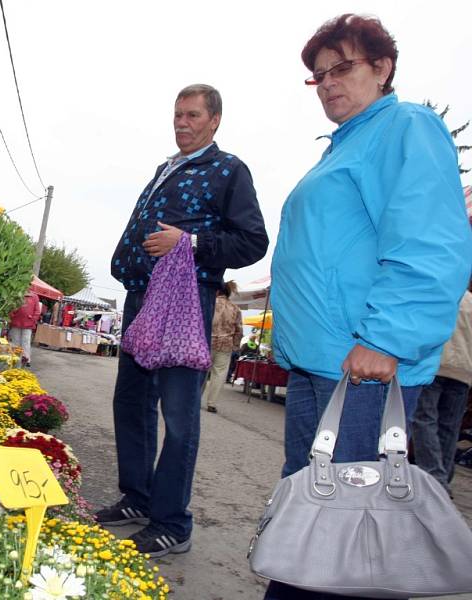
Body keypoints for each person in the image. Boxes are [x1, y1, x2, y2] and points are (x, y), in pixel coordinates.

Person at [268, 14, 471, 599]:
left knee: (346, 534)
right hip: (323, 364)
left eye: (342, 67)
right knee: (315, 518)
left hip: (362, 367)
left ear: (382, 68)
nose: (328, 82)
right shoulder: (346, 145)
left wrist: (387, 339)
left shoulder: (404, 126)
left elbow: (430, 242)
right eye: (318, 74)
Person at [98, 83, 268, 558]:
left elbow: (253, 242)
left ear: (214, 121)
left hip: (185, 300)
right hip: (140, 295)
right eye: (177, 115)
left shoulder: (229, 169)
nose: (182, 123)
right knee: (130, 401)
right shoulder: (164, 168)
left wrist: (190, 244)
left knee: (177, 414)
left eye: (192, 115)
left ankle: (173, 522)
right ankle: (138, 498)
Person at [412, 285, 472, 495]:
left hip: (436, 366)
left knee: (424, 420)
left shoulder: (440, 295)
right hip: (463, 372)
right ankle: (442, 478)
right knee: (449, 426)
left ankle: (434, 478)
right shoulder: (470, 302)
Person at [202, 281, 243, 413]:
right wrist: (236, 346)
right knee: (219, 373)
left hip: (207, 341)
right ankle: (212, 403)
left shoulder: (209, 303)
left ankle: (195, 398)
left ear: (217, 291)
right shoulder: (235, 309)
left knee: (202, 371)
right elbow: (239, 330)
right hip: (226, 344)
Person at [8, 290, 41, 366]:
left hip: (28, 324)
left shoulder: (34, 296)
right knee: (15, 342)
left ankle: (26, 359)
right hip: (16, 322)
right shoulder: (16, 293)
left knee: (26, 341)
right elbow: (11, 307)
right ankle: (15, 358)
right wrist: (11, 316)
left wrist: (32, 320)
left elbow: (37, 311)